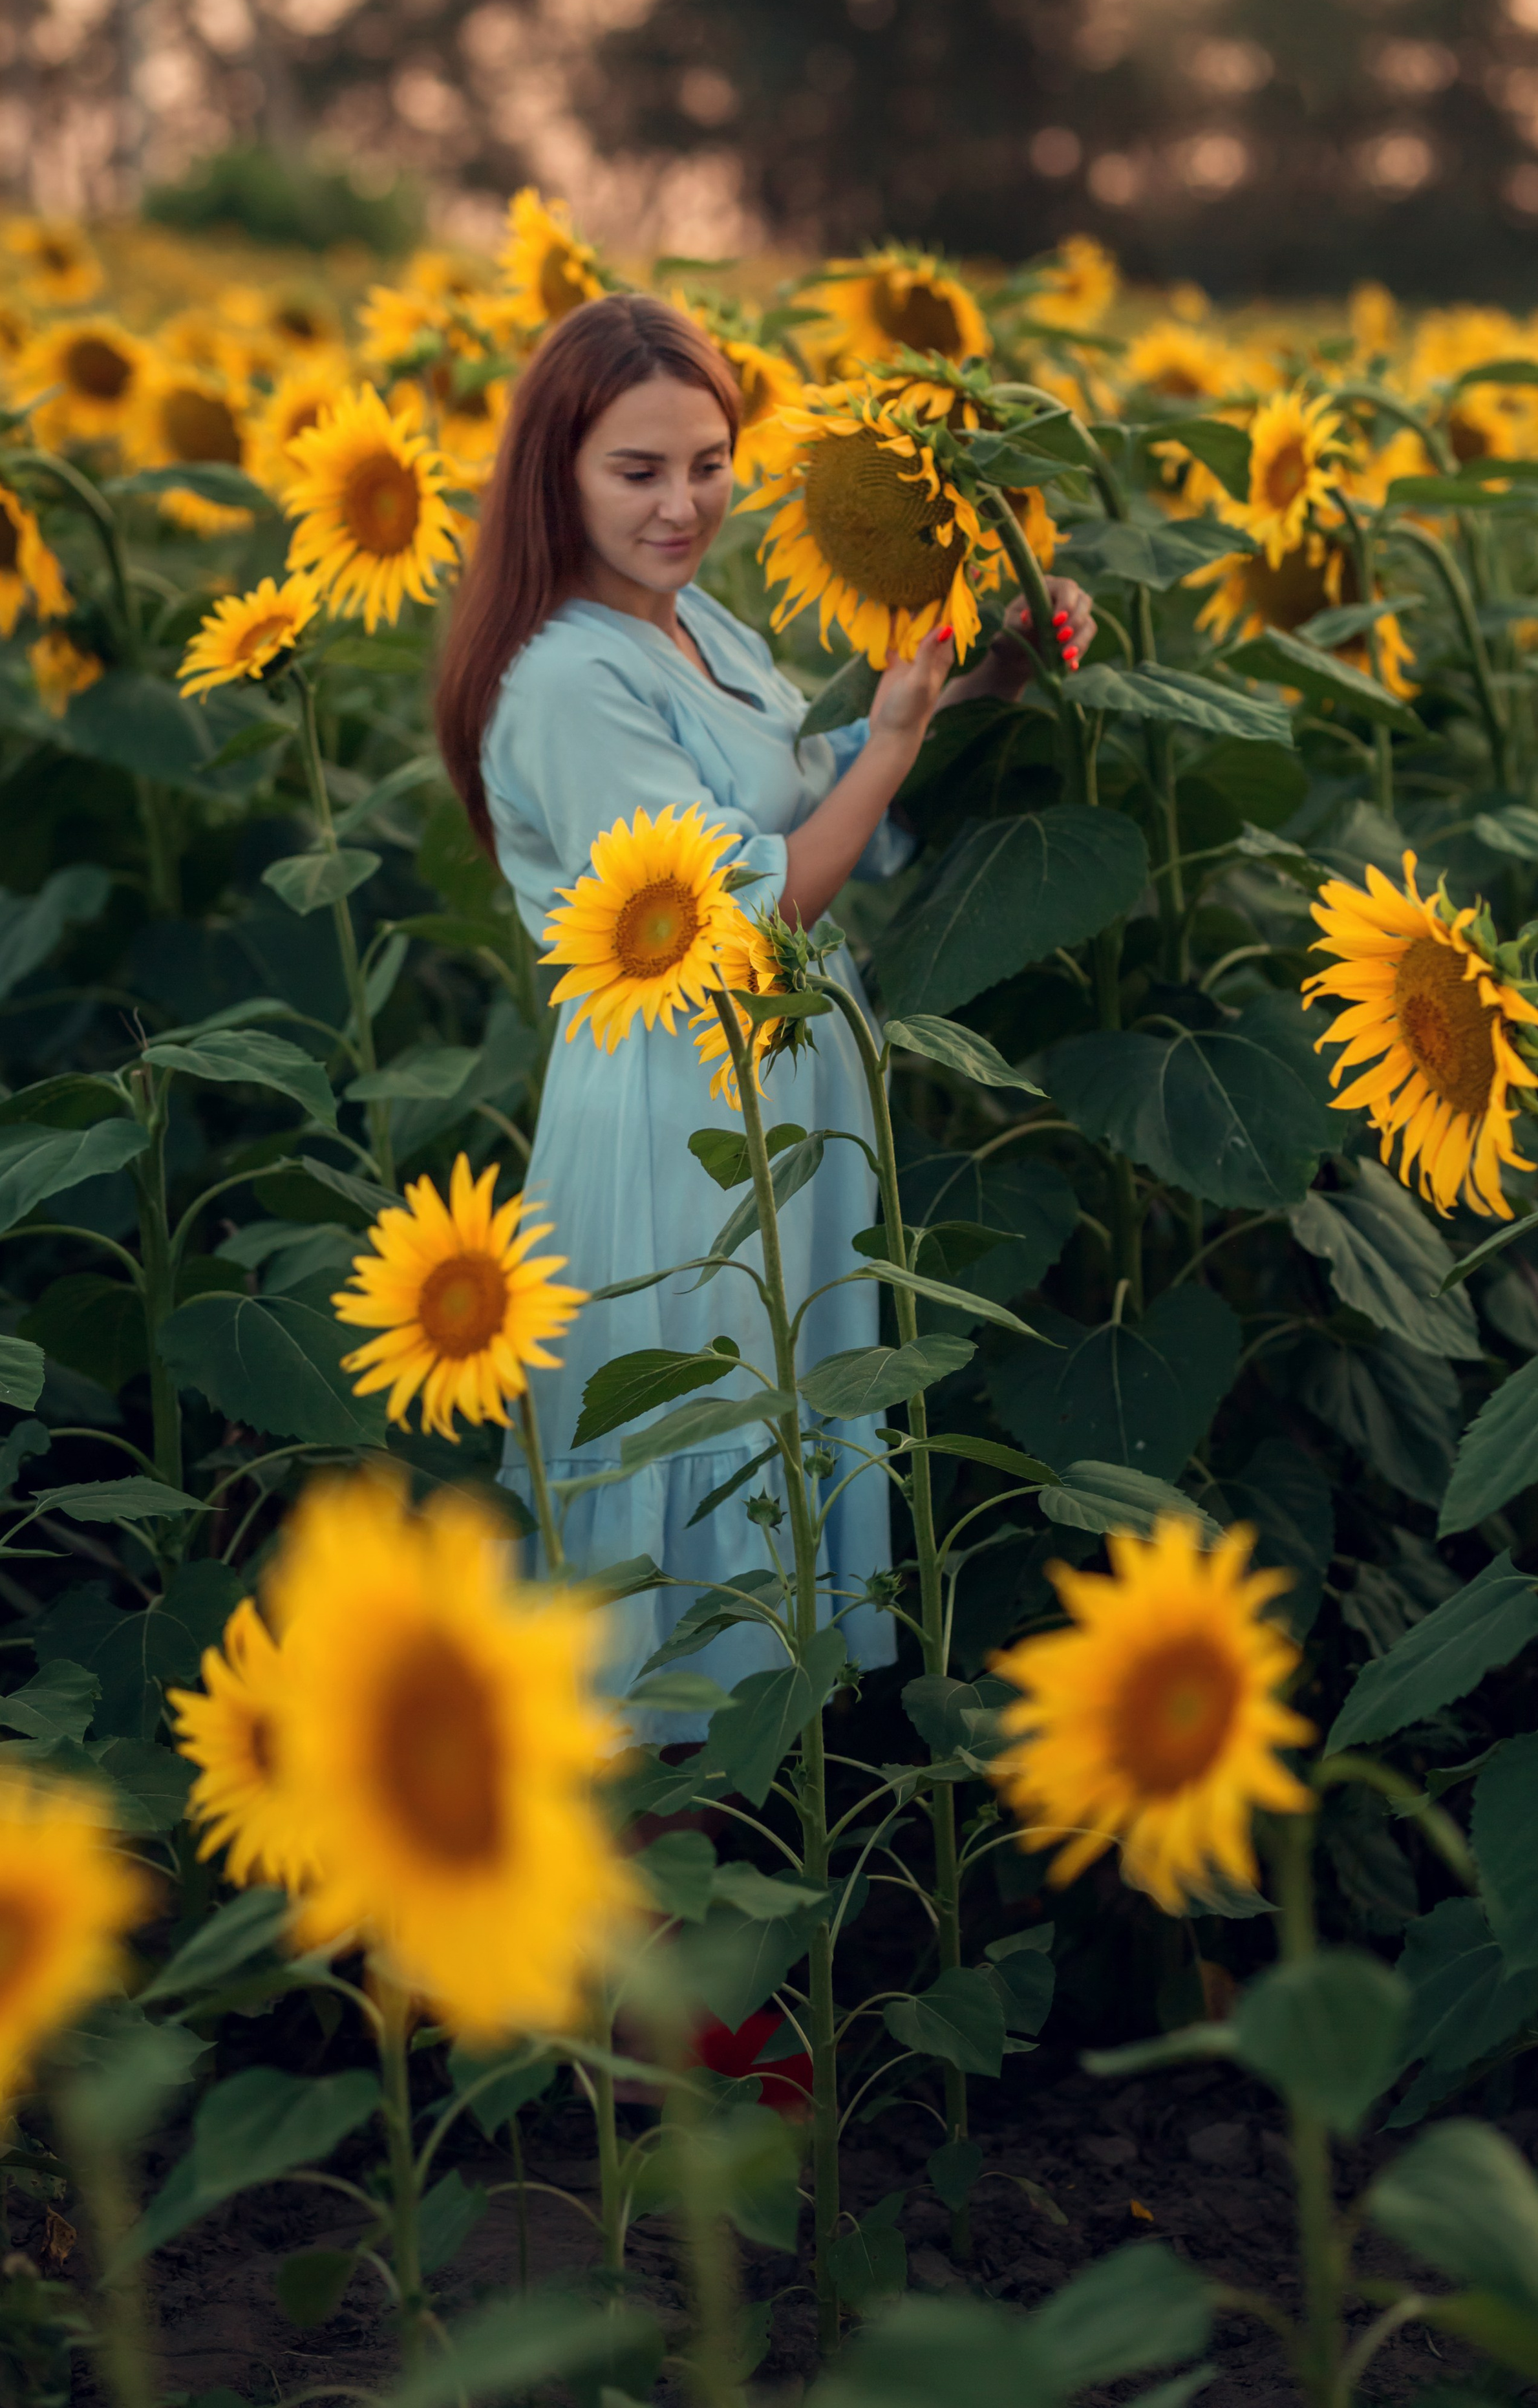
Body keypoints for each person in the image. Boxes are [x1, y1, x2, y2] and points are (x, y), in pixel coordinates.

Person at [435, 293, 1095, 1736]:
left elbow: (799, 786)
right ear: (556, 472)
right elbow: (756, 909)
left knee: (776, 1412)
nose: (683, 504)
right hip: (679, 1112)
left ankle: (750, 1840)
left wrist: (967, 678)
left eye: (708, 462)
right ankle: (660, 1884)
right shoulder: (560, 679)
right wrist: (903, 733)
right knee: (693, 1424)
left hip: (777, 1090)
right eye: (637, 472)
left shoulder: (689, 626)